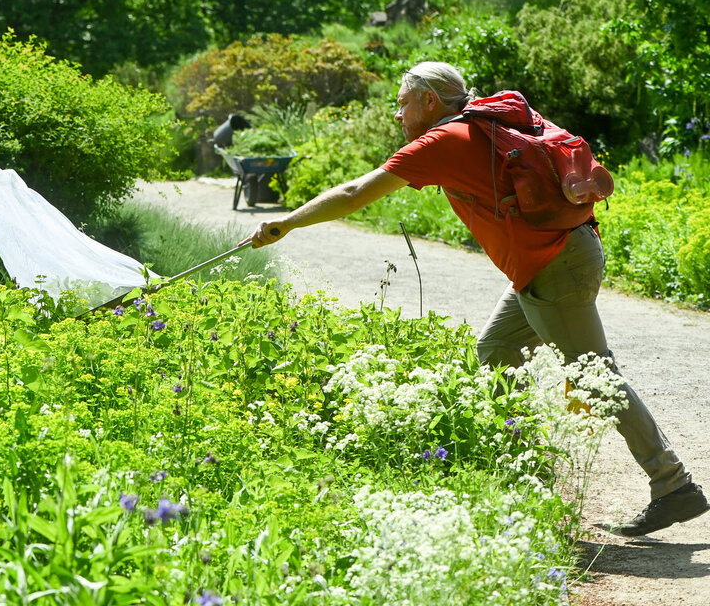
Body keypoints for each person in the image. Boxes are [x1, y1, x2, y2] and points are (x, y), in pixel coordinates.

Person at [245, 61, 707, 537]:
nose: (398, 115)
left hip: (554, 264)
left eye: (402, 104)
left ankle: (673, 485)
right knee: (498, 350)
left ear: (429, 101)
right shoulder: (490, 122)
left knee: (594, 377)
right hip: (560, 256)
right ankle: (521, 476)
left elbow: (356, 191)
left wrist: (287, 222)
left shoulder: (443, 141)